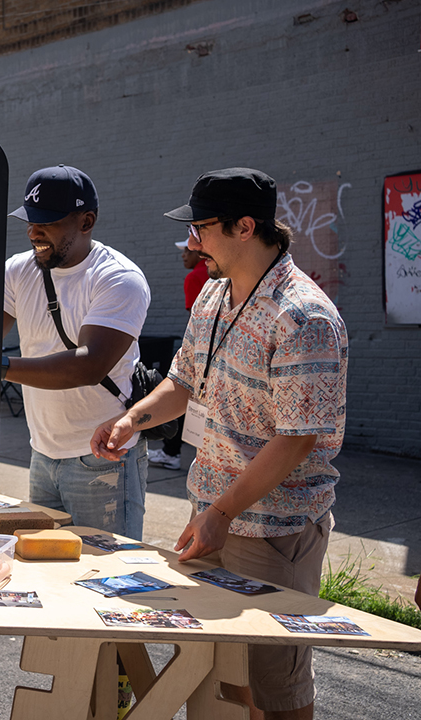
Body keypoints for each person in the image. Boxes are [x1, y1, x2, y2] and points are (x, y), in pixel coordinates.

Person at [91, 168, 348, 720]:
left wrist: (224, 513)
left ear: (244, 227)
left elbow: (297, 439)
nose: (191, 242)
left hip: (272, 528)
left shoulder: (304, 315)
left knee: (274, 688)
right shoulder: (212, 294)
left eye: (200, 228)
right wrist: (133, 419)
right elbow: (184, 382)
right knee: (220, 680)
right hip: (213, 514)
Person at [1, 164, 151, 540]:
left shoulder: (118, 278)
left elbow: (88, 364)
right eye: (30, 221)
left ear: (86, 222)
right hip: (42, 452)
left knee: (108, 575)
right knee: (49, 570)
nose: (34, 232)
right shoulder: (18, 271)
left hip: (103, 459)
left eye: (48, 222)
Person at [147, 239, 211, 471]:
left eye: (187, 251)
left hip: (201, 357)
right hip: (218, 357)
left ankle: (171, 453)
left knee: (185, 404)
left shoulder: (194, 278)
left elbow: (196, 323)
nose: (183, 255)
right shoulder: (222, 276)